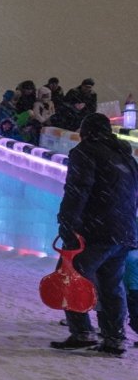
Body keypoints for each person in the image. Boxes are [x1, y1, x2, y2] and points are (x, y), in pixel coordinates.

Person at [51, 112, 138, 355]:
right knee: (111, 285)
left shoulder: (85, 152)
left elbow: (77, 191)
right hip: (123, 231)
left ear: (86, 131)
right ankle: (114, 338)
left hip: (94, 231)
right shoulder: (127, 158)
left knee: (70, 275)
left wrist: (67, 224)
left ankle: (82, 332)